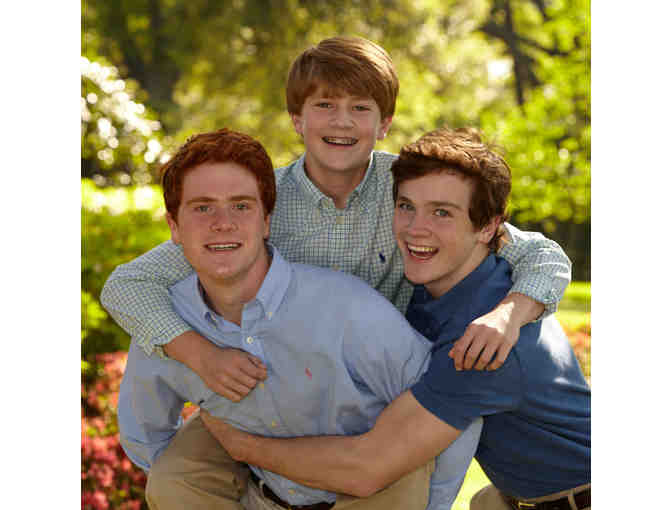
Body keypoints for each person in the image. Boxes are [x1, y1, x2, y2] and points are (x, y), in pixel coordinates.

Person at [102, 36, 573, 506]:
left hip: (375, 391)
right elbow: (128, 284)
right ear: (297, 119)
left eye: (360, 108)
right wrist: (202, 355)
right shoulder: (259, 204)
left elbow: (542, 255)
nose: (341, 121)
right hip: (265, 383)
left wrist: (510, 313)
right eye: (324, 105)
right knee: (176, 476)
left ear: (384, 123)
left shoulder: (412, 193)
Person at [199, 127, 591, 510]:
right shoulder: (439, 285)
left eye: (442, 213)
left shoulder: (482, 344)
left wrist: (242, 445)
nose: (416, 229)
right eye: (406, 206)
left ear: (488, 227)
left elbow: (366, 468)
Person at [118, 127, 483, 510]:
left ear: (266, 222)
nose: (223, 222)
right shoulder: (167, 326)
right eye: (202, 207)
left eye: (241, 206)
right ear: (174, 227)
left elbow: (451, 408)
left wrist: (433, 505)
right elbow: (149, 441)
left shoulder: (345, 307)